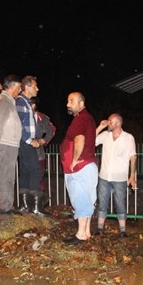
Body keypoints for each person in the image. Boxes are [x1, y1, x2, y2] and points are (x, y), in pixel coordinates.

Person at [60, 92, 98, 244]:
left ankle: (81, 234)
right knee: (88, 199)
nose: (68, 104)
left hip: (79, 168)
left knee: (80, 198)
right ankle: (87, 232)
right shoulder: (87, 118)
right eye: (68, 101)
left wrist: (74, 160)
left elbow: (79, 138)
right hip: (88, 165)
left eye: (71, 101)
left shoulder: (81, 118)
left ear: (81, 103)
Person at [94, 113, 137, 237]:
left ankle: (123, 231)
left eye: (110, 121)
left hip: (120, 178)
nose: (108, 123)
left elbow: (133, 157)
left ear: (118, 123)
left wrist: (132, 176)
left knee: (120, 204)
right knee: (102, 203)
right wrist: (100, 127)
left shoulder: (128, 138)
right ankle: (99, 229)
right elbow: (91, 141)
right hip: (104, 176)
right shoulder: (105, 135)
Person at [0, 75, 22, 214]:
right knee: (6, 175)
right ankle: (5, 207)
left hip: (11, 143)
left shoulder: (9, 101)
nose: (20, 90)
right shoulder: (4, 100)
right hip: (6, 143)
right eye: (19, 87)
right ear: (13, 86)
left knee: (9, 175)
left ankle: (7, 205)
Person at [16, 75, 47, 215]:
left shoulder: (25, 102)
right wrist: (30, 140)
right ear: (27, 87)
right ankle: (35, 207)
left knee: (26, 172)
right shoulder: (21, 103)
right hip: (25, 143)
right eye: (35, 86)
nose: (37, 88)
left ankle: (25, 206)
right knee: (35, 172)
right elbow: (18, 125)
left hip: (24, 142)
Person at [30, 96, 56, 195]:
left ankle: (38, 204)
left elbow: (51, 130)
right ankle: (27, 205)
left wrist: (43, 140)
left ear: (33, 105)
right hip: (24, 152)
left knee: (39, 178)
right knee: (27, 178)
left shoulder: (42, 117)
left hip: (38, 154)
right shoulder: (19, 116)